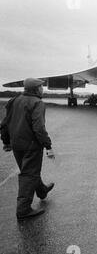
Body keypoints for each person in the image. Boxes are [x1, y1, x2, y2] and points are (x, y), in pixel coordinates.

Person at [0, 78, 55, 220]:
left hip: (17, 145)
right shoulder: (37, 103)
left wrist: (6, 141)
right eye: (41, 87)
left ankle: (42, 191)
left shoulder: (13, 100)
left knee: (29, 171)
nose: (43, 89)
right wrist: (48, 145)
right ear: (36, 89)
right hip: (31, 146)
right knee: (29, 174)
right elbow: (39, 128)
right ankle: (23, 210)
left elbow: (5, 123)